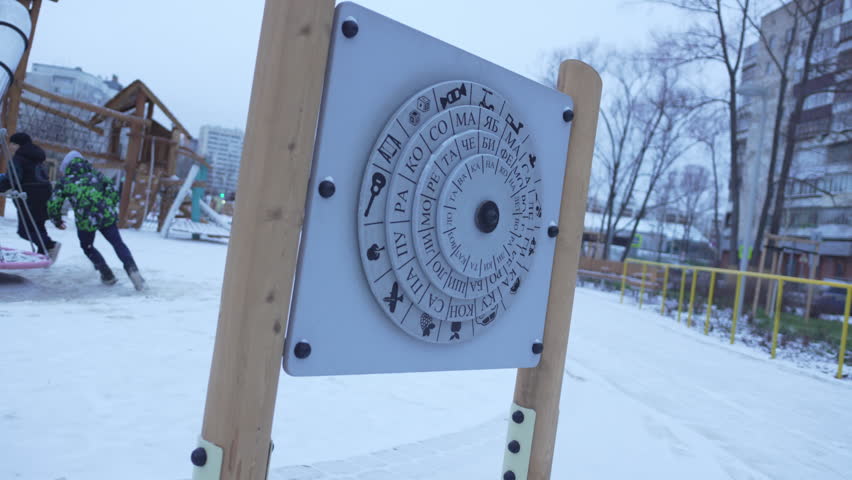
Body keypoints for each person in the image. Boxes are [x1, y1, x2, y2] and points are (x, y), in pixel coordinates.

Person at [48, 150, 146, 290]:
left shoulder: (66, 181)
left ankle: (106, 274)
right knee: (118, 244)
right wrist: (108, 207)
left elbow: (54, 203)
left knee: (87, 246)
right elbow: (113, 192)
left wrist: (57, 220)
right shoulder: (97, 175)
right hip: (105, 215)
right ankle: (133, 270)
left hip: (85, 219)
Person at [0, 132, 61, 260]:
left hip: (29, 196)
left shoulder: (18, 158)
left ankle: (49, 245)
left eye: (12, 143)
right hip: (44, 193)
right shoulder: (36, 158)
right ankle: (43, 254)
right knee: (38, 226)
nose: (10, 146)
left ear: (18, 145)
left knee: (25, 230)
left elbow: (13, 179)